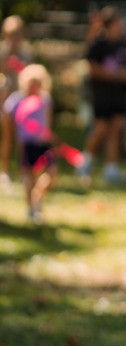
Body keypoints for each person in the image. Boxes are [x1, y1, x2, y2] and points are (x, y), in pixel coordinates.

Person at [79, 7, 126, 184]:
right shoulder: (99, 44)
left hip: (118, 93)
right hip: (102, 93)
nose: (120, 27)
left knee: (116, 128)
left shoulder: (120, 45)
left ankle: (111, 168)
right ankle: (85, 163)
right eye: (117, 23)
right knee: (101, 127)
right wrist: (116, 75)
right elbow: (92, 68)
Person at [3, 64, 58, 223]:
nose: (36, 86)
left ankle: (37, 197)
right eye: (33, 82)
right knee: (29, 177)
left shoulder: (45, 99)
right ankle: (31, 209)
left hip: (43, 143)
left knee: (51, 174)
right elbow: (8, 118)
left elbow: (48, 121)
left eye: (39, 82)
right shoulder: (17, 99)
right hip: (27, 144)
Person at [1, 14, 34, 188]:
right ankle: (5, 171)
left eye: (17, 34)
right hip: (5, 99)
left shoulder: (26, 53)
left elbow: (30, 76)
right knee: (7, 137)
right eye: (10, 34)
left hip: (23, 101)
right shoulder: (2, 51)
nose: (13, 38)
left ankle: (24, 172)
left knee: (24, 139)